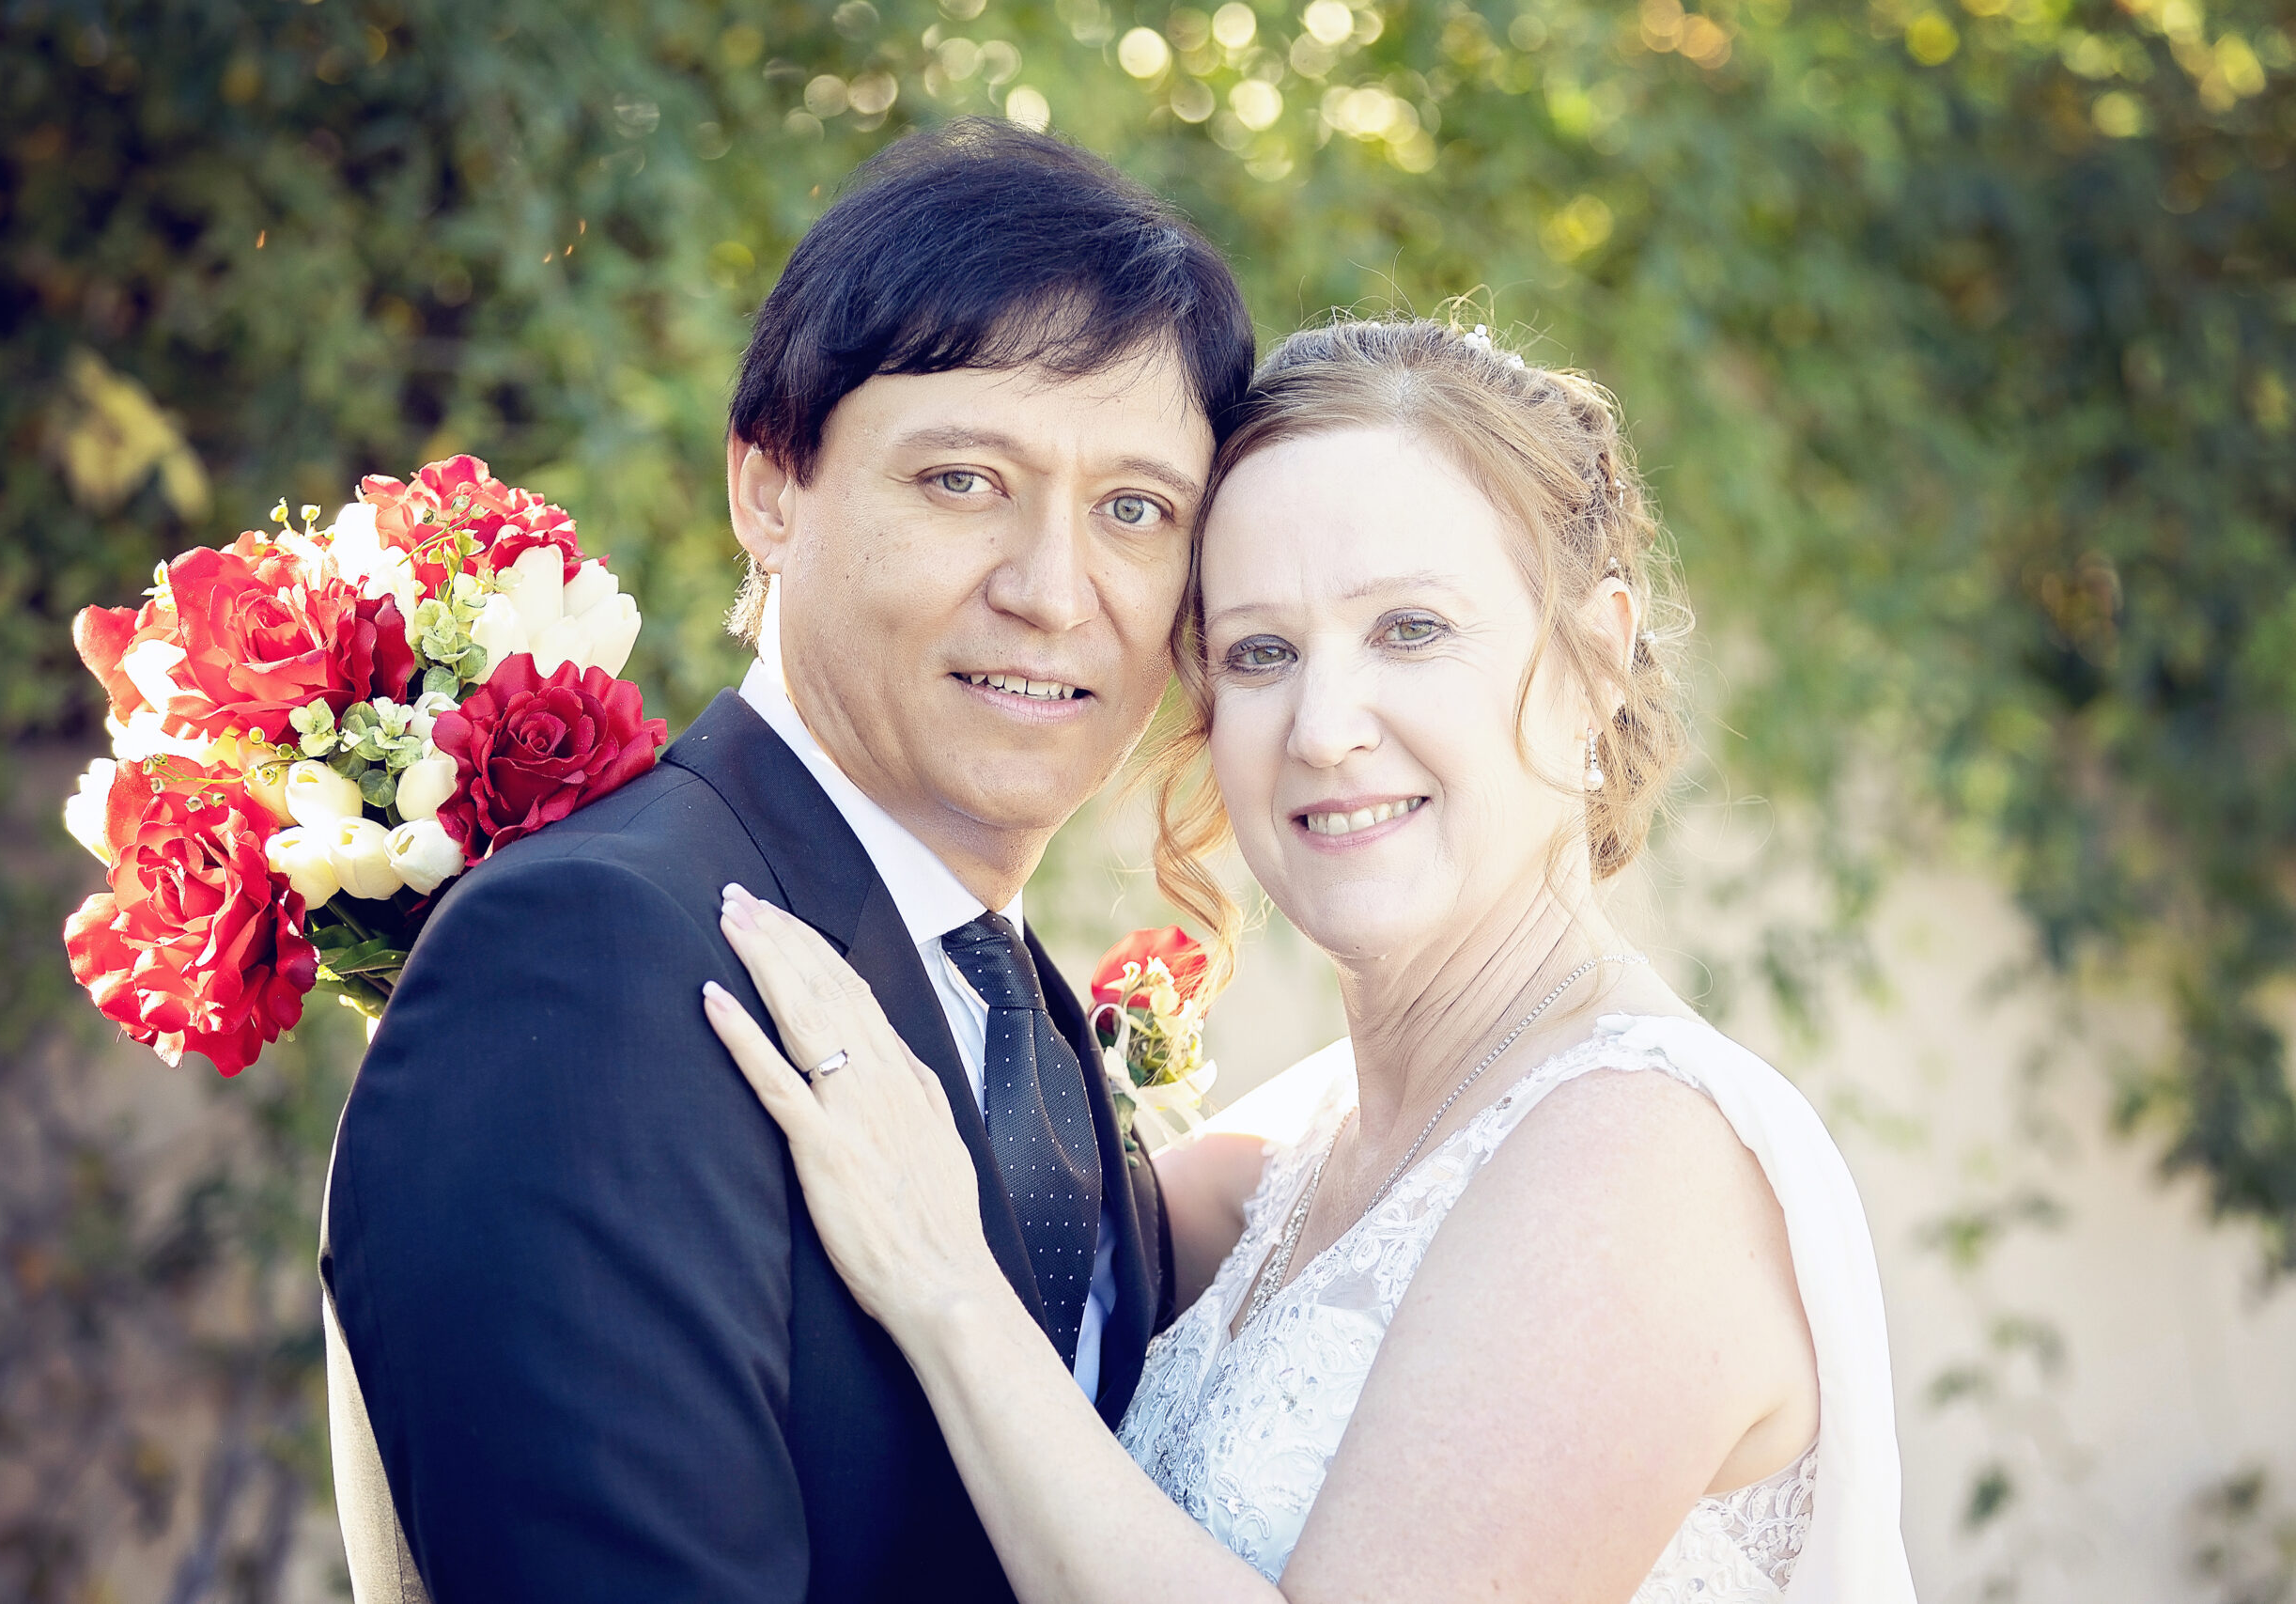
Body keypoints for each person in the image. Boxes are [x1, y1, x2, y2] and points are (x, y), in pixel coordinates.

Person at [704, 319, 1918, 1602]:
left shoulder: (1644, 1160)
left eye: (1410, 630)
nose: (1325, 730)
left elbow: (949, 1263)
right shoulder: (1281, 1149)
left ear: (1595, 660)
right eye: (1262, 654)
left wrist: (949, 1294)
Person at [318, 119, 1252, 1602]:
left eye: (1135, 512)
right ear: (769, 487)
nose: (1052, 591)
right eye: (963, 481)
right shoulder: (593, 960)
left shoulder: (1033, 1022)